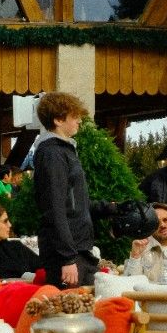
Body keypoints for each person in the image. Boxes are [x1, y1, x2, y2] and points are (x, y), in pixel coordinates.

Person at [33, 91, 114, 289]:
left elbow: (76, 204)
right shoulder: (53, 153)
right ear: (58, 120)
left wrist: (112, 208)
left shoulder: (63, 151)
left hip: (78, 250)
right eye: (74, 116)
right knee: (72, 316)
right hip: (68, 254)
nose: (79, 120)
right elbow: (54, 208)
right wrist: (67, 259)